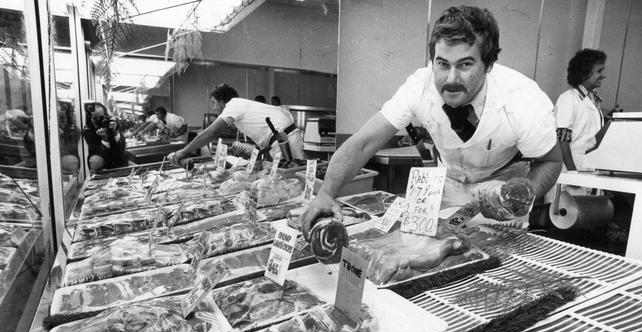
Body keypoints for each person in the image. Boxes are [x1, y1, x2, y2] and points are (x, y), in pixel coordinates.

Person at [302, 5, 562, 234]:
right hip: (449, 185)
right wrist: (326, 193)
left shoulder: (522, 98)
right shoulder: (420, 85)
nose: (450, 79)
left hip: (504, 187)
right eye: (442, 63)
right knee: (444, 256)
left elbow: (550, 161)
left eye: (465, 65)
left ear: (489, 64)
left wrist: (519, 194)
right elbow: (363, 143)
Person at [168, 83, 305, 166]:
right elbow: (265, 135)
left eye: (214, 103)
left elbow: (211, 133)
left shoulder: (233, 104)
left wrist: (183, 151)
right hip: (282, 139)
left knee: (294, 180)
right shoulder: (240, 105)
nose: (215, 108)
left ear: (222, 101)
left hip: (286, 141)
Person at [555, 49, 608, 172]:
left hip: (587, 169)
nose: (603, 75)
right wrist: (572, 172)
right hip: (571, 170)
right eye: (599, 71)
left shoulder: (593, 99)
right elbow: (562, 140)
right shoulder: (568, 99)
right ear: (584, 73)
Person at [83, 102, 129, 172]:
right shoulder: (88, 132)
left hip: (119, 162)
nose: (99, 121)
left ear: (106, 115)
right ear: (90, 119)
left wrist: (115, 131)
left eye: (101, 117)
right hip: (102, 165)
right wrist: (105, 139)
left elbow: (121, 148)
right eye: (95, 119)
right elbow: (98, 155)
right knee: (95, 160)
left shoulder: (111, 125)